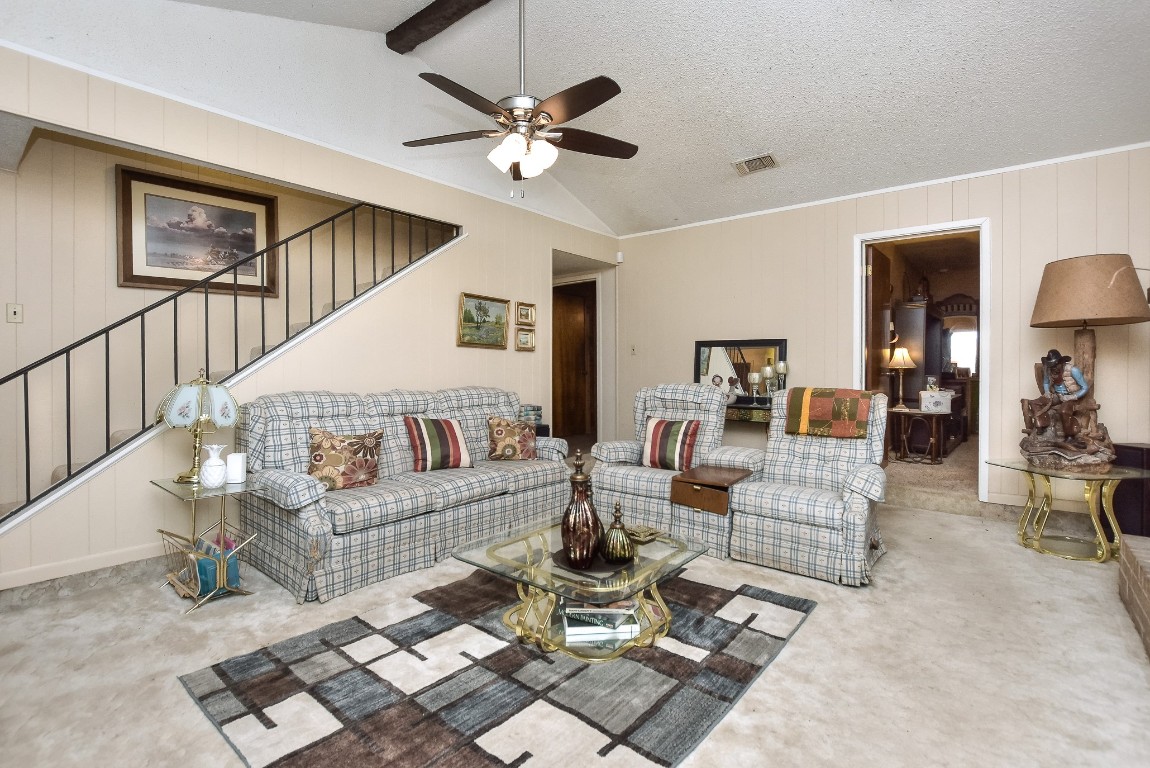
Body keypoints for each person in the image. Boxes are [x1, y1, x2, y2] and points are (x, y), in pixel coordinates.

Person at [1022, 349, 1089, 443]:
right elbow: (1046, 382)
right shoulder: (1048, 369)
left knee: (1064, 411)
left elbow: (1085, 387)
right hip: (1056, 395)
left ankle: (1070, 436)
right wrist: (1047, 392)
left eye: (1055, 365)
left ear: (1061, 362)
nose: (1053, 368)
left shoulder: (1073, 370)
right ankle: (1041, 425)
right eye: (1051, 366)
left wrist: (1072, 397)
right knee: (1035, 403)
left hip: (1070, 396)